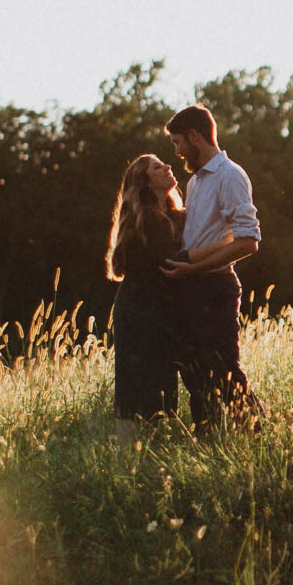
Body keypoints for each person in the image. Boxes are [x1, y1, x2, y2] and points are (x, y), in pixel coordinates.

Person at [160, 105, 262, 433]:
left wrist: (195, 268)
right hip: (189, 287)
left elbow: (248, 241)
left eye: (178, 143)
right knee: (195, 376)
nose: (176, 151)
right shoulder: (195, 181)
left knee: (224, 371)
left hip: (215, 287)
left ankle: (259, 440)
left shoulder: (230, 175)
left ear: (194, 136)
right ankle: (209, 443)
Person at [103, 153, 186, 446]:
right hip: (139, 310)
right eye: (157, 167)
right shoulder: (146, 218)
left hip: (163, 310)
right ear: (144, 181)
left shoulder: (176, 216)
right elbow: (168, 262)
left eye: (164, 163)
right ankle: (128, 454)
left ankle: (157, 451)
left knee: (164, 379)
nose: (167, 167)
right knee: (134, 379)